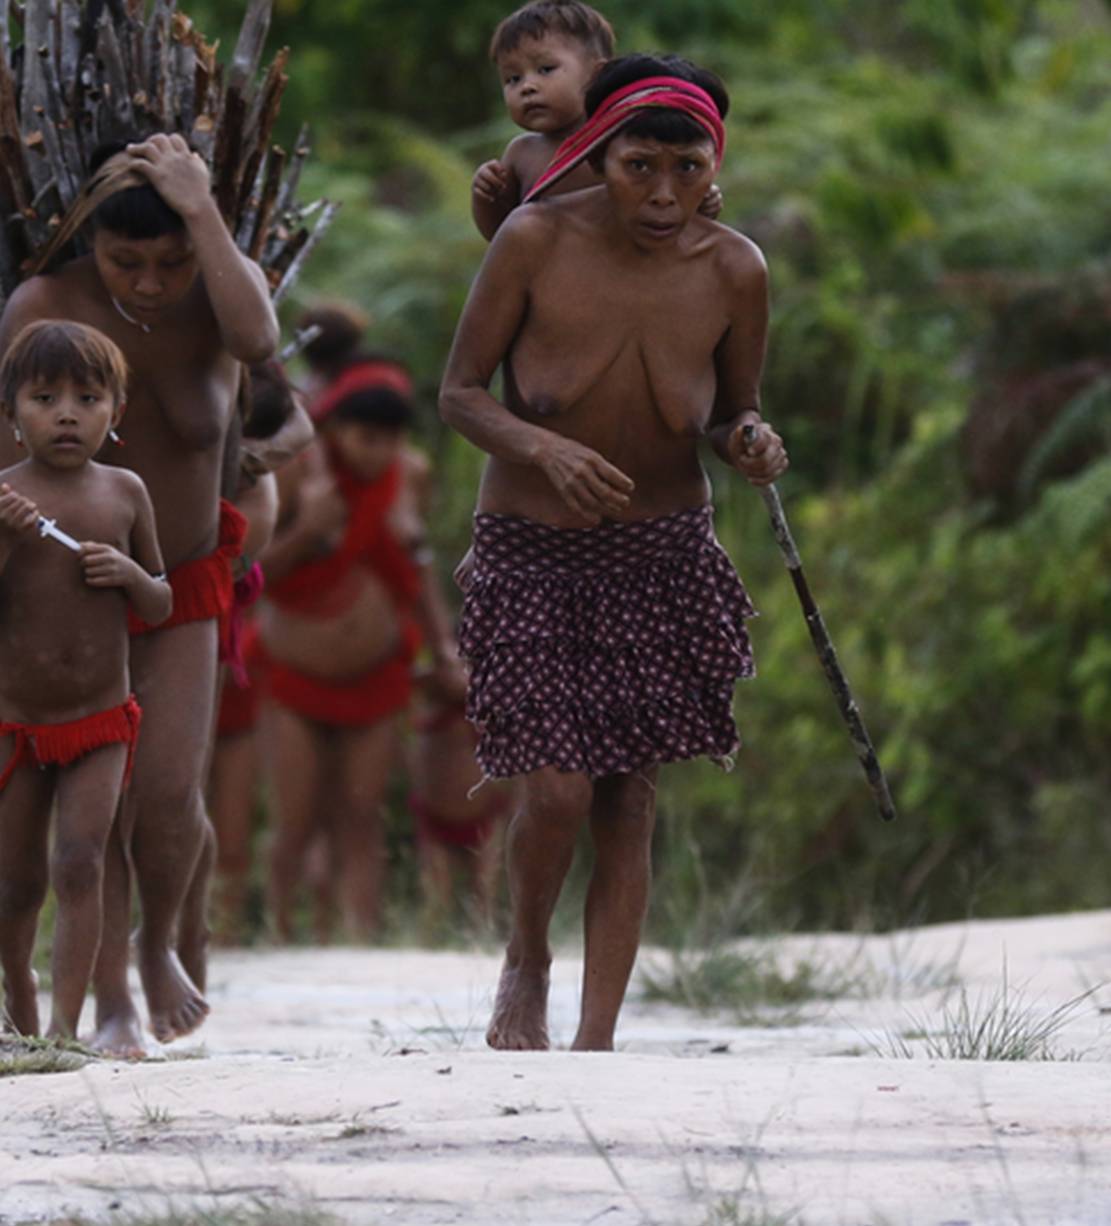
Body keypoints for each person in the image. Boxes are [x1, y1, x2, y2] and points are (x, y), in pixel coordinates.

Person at [437, 54, 788, 1051]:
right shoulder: (534, 239)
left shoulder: (736, 269)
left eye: (687, 169)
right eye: (640, 167)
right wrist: (542, 449)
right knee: (556, 787)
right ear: (597, 155)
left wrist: (750, 442)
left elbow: (732, 410)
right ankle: (528, 957)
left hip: (663, 553)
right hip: (532, 547)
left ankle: (596, 1045)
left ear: (715, 167)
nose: (664, 194)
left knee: (628, 797)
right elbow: (459, 393)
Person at [0, 135, 280, 1056]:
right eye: (126, 261)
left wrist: (200, 208)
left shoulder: (222, 295)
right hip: (67, 593)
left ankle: (158, 942)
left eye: (171, 262)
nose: (150, 283)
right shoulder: (45, 305)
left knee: (167, 791)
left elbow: (260, 343)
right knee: (95, 807)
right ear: (89, 242)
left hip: (181, 581)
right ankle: (111, 1003)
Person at [0, 321, 172, 1045]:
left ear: (116, 411)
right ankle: (19, 984)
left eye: (87, 398)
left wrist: (130, 575)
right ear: (9, 413)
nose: (67, 415)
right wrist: (0, 541)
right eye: (45, 399)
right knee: (20, 882)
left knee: (79, 863)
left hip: (101, 722)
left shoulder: (126, 494)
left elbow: (161, 602)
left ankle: (64, 1030)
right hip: (19, 726)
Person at [250, 361, 464, 943]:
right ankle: (279, 933)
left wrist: (443, 651)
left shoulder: (410, 475)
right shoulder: (298, 474)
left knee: (362, 816)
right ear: (337, 429)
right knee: (295, 819)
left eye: (389, 440)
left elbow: (416, 573)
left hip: (378, 676)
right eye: (366, 438)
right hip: (294, 676)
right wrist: (309, 529)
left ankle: (360, 938)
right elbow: (253, 575)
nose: (378, 452)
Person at [202, 361, 300, 951]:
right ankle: (160, 926)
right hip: (165, 642)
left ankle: (227, 928)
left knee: (232, 821)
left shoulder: (263, 461)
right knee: (157, 804)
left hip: (229, 661)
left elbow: (297, 425)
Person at [470, 0, 618, 242]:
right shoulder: (521, 154)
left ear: (597, 74)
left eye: (545, 69)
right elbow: (500, 234)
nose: (527, 86)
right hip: (546, 265)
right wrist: (485, 197)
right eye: (513, 78)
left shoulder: (620, 140)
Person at [408, 671, 510, 937]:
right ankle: (429, 942)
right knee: (435, 896)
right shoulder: (429, 691)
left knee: (484, 894)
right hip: (433, 816)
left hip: (484, 814)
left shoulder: (491, 694)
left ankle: (482, 940)